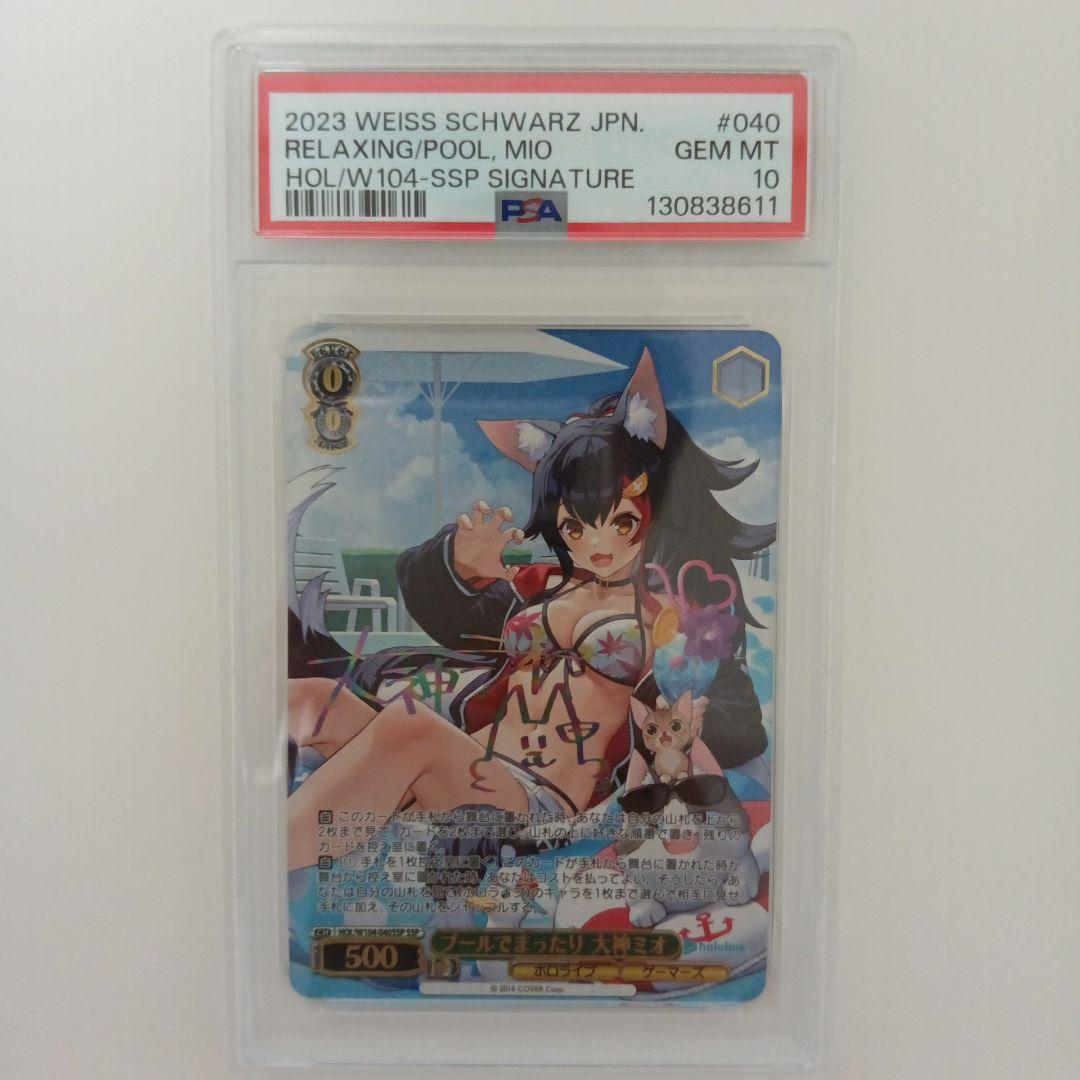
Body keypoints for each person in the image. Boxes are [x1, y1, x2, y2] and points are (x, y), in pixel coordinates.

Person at [286, 350, 774, 869]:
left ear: (654, 511)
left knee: (406, 727)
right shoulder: (546, 589)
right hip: (468, 763)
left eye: (621, 522)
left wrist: (679, 715)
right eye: (576, 527)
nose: (598, 545)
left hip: (534, 801)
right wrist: (460, 562)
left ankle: (262, 857)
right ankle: (246, 853)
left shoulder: (674, 613)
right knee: (310, 698)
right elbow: (447, 612)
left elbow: (736, 718)